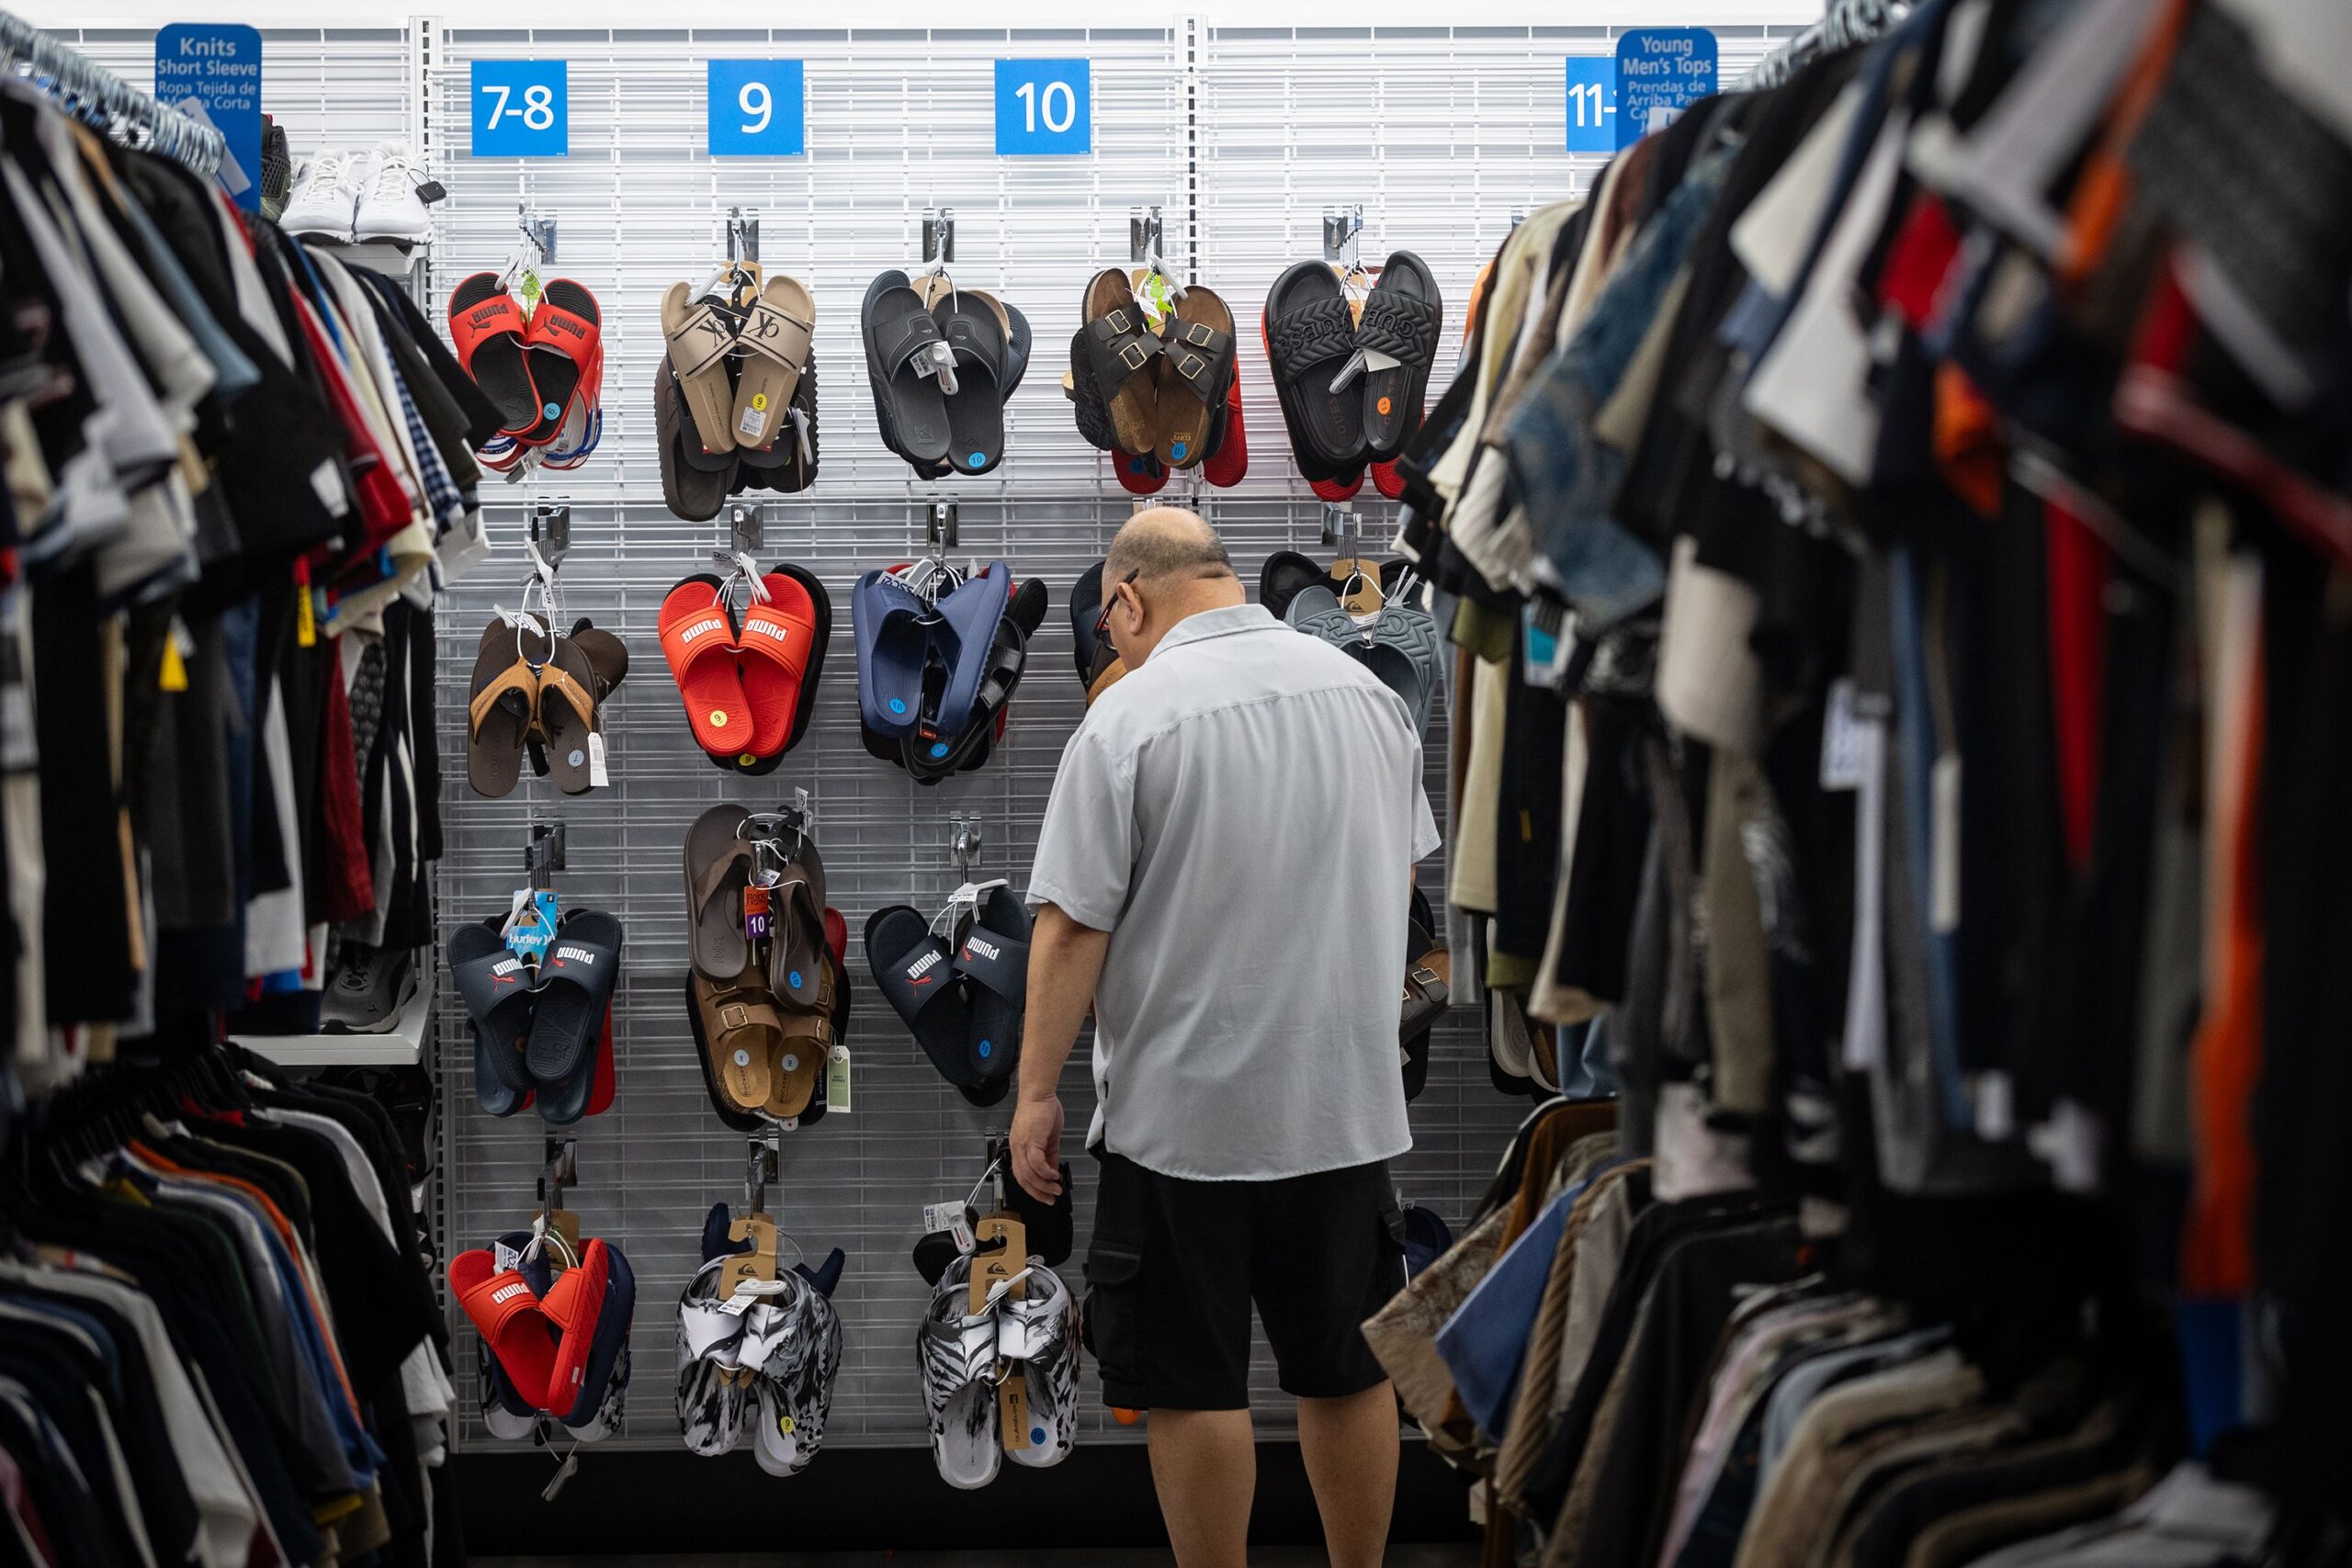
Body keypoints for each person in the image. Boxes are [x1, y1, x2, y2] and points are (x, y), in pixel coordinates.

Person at [1012, 507, 1441, 1568]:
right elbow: (1397, 886)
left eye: (1109, 622)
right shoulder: (1370, 701)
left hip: (1183, 1121)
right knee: (1345, 1368)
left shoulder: (1127, 719)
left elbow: (1070, 929)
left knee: (1192, 1383)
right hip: (1341, 1105)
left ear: (1127, 601)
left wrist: (1034, 1096)